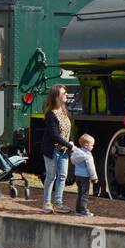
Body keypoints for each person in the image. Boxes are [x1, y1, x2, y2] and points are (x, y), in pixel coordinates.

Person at [38, 84, 75, 213]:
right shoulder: (50, 114)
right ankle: (47, 203)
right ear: (56, 97)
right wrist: (70, 145)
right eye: (64, 93)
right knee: (51, 176)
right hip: (52, 150)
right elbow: (54, 135)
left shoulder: (65, 111)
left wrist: (71, 141)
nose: (66, 95)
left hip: (63, 151)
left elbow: (69, 129)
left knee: (62, 176)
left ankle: (58, 203)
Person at [71, 134, 100, 217]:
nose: (93, 147)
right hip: (85, 177)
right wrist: (94, 178)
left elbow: (72, 161)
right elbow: (91, 167)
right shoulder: (88, 156)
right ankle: (83, 210)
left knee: (80, 193)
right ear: (86, 145)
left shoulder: (76, 153)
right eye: (92, 145)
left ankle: (78, 210)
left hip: (78, 177)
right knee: (85, 194)